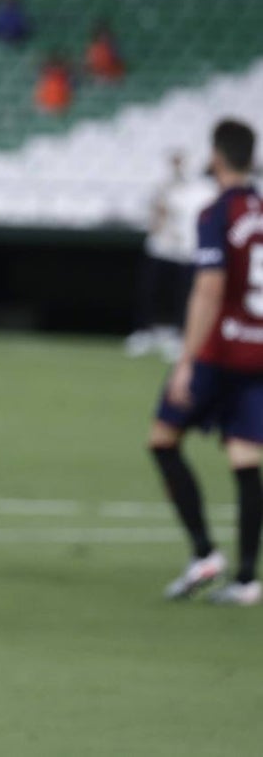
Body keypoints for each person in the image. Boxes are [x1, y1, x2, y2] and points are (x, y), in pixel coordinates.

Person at [150, 118, 263, 606]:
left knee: (163, 440)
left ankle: (204, 553)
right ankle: (247, 579)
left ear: (216, 156)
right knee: (245, 459)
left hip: (218, 353)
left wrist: (187, 360)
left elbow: (209, 288)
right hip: (258, 352)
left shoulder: (218, 212)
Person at [125, 152, 208, 359]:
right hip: (161, 247)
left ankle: (178, 335)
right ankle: (143, 332)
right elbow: (156, 214)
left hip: (185, 251)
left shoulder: (199, 191)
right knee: (149, 291)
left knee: (182, 295)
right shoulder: (163, 186)